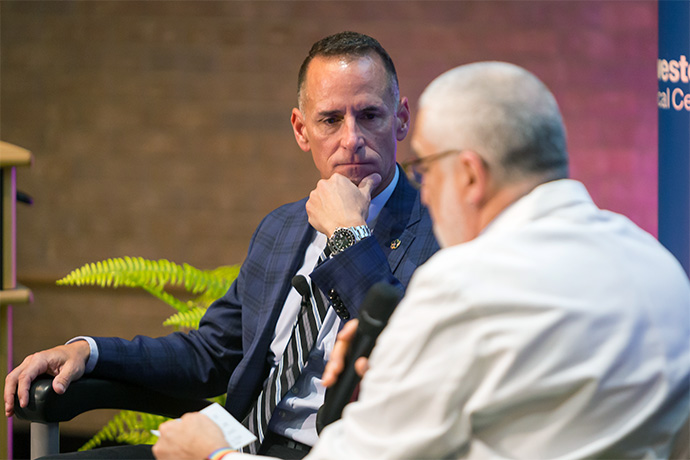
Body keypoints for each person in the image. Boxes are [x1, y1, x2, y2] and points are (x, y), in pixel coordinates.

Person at [151, 61, 690, 459]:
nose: (424, 192)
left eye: (427, 169)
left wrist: (215, 454)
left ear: (471, 175)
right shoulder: (661, 269)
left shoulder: (461, 287)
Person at [4, 31, 439, 459]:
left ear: (400, 119)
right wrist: (88, 351)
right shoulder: (283, 227)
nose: (351, 138)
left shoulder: (438, 232)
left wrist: (348, 233)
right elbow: (211, 354)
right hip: (237, 442)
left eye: (369, 115)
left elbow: (407, 359)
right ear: (301, 130)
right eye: (330, 120)